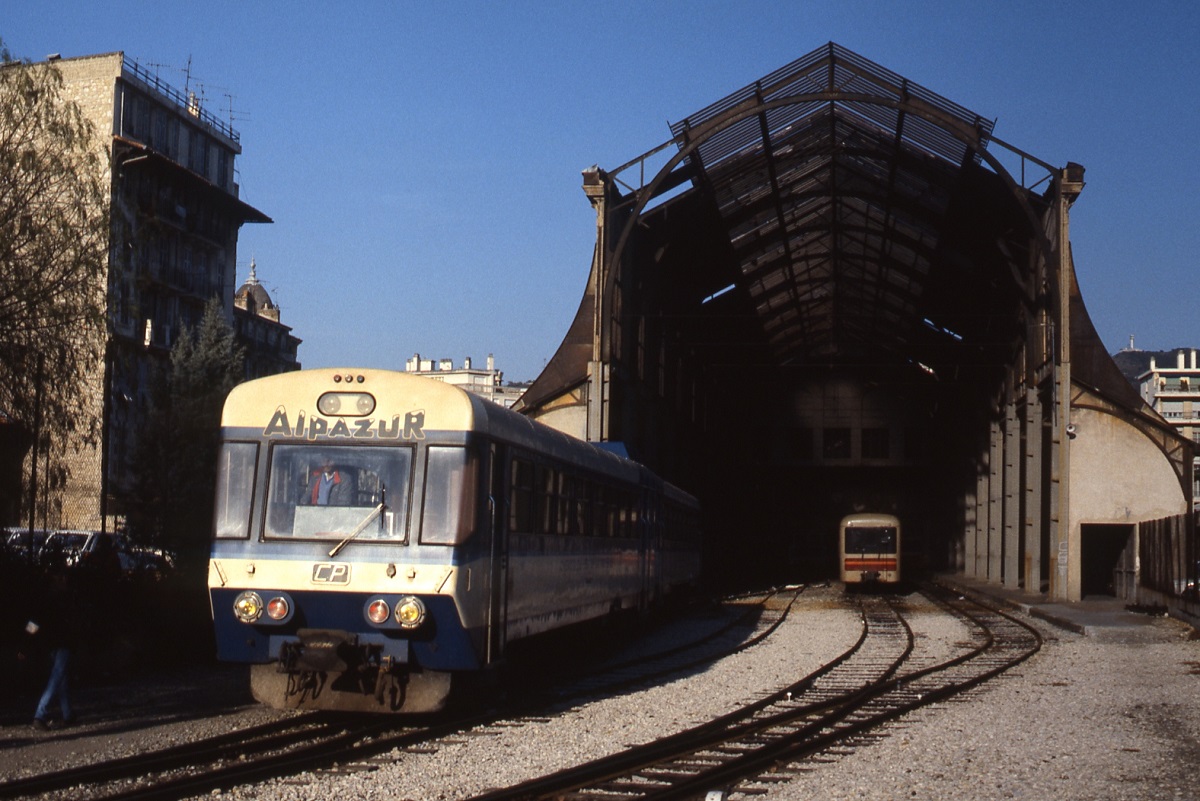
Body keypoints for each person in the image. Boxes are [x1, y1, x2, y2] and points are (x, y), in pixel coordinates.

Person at [21, 566, 77, 730]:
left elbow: (34, 624)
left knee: (60, 677)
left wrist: (25, 642)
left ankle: (67, 713)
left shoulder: (45, 600)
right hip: (61, 642)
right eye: (61, 578)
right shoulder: (62, 600)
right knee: (57, 677)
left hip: (50, 643)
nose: (64, 580)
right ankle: (40, 714)